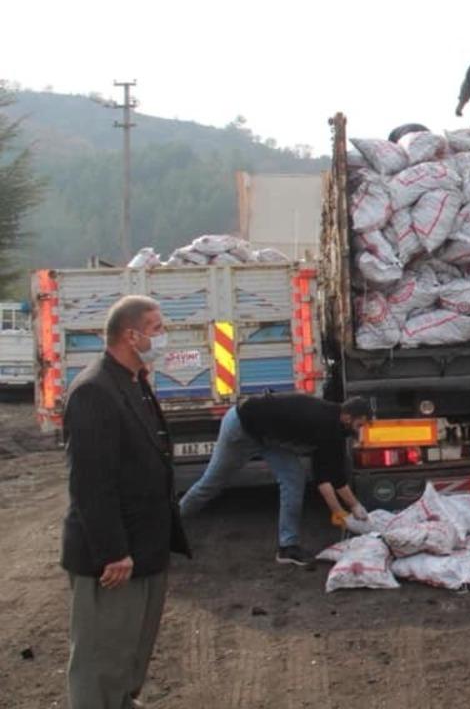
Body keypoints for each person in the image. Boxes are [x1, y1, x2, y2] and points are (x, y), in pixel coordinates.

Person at [60, 295, 191, 709]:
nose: (163, 337)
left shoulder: (134, 381)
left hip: (145, 546)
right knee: (102, 654)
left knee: (131, 649)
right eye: (156, 329)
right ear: (130, 336)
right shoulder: (94, 391)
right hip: (115, 556)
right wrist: (114, 551)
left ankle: (121, 700)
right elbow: (91, 483)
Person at [180, 393, 373, 565]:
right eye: (359, 425)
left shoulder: (336, 426)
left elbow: (334, 475)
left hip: (268, 437)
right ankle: (170, 525)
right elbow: (324, 478)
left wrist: (354, 507)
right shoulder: (322, 423)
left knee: (293, 478)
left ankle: (287, 547)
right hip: (242, 427)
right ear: (347, 417)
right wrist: (340, 512)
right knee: (210, 484)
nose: (360, 431)